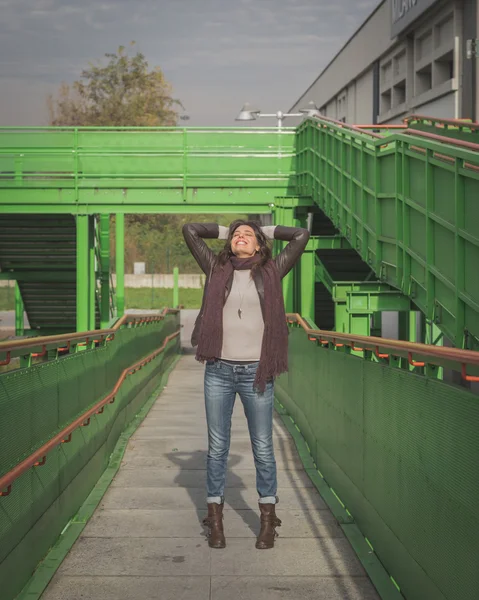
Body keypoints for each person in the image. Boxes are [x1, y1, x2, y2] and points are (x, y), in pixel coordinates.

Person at [182, 219, 309, 550]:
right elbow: (190, 230)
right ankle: (216, 522)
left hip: (257, 371)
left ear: (259, 245)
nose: (241, 237)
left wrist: (264, 229)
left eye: (247, 235)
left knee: (263, 447)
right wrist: (229, 229)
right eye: (236, 235)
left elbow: (300, 235)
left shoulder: (272, 269)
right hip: (219, 370)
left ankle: (268, 521)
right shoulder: (215, 267)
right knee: (218, 448)